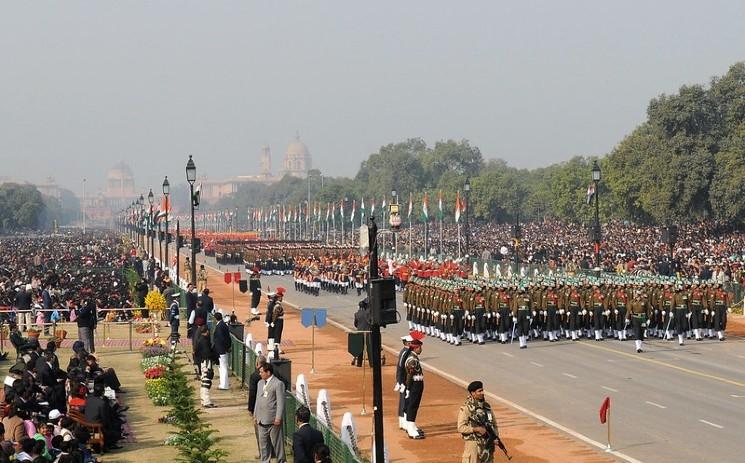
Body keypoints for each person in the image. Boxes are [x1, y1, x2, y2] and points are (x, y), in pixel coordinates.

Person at [457, 380, 498, 463]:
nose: (482, 393)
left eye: (482, 390)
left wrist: (495, 437)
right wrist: (476, 429)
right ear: (473, 393)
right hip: (473, 446)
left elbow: (493, 424)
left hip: (487, 445)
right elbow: (461, 427)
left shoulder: (487, 407)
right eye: (479, 391)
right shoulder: (466, 408)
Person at [253, 363, 286, 463]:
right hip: (261, 420)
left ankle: (281, 461)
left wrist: (278, 418)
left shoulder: (278, 384)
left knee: (277, 445)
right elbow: (257, 400)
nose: (260, 374)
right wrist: (255, 415)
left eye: (261, 372)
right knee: (264, 446)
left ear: (268, 372)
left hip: (273, 420)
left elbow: (280, 402)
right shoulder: (260, 383)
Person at [404, 337, 425, 439]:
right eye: (420, 347)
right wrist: (408, 388)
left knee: (414, 405)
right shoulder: (412, 360)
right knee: (412, 405)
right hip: (415, 385)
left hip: (417, 384)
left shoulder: (414, 357)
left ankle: (411, 426)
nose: (421, 349)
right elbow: (409, 375)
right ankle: (411, 430)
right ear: (416, 348)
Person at [248, 355, 267, 460]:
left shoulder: (255, 376)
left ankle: (262, 453)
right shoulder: (274, 372)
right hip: (271, 407)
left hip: (258, 408)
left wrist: (250, 409)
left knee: (259, 432)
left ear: (257, 364)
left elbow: (252, 394)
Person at [193, 325, 217, 408]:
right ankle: (206, 401)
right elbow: (207, 354)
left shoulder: (199, 340)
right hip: (206, 363)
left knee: (204, 381)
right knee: (206, 382)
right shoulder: (205, 341)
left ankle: (204, 400)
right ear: (206, 331)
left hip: (202, 362)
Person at [394, 334, 413, 431]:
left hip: (404, 380)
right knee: (406, 402)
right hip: (405, 381)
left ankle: (402, 423)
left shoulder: (405, 351)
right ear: (408, 343)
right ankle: (405, 423)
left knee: (403, 401)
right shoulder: (406, 352)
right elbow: (401, 367)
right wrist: (400, 381)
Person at [212, 311, 231, 390]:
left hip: (221, 350)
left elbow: (221, 339)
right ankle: (222, 384)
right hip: (222, 349)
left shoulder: (220, 326)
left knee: (223, 367)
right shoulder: (222, 325)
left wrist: (222, 349)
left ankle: (224, 385)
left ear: (215, 318)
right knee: (222, 367)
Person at [352, 299, 370, 367]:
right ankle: (372, 363)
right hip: (368, 332)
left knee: (360, 349)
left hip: (359, 332)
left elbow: (355, 324)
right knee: (369, 348)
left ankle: (359, 363)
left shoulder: (356, 314)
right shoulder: (368, 313)